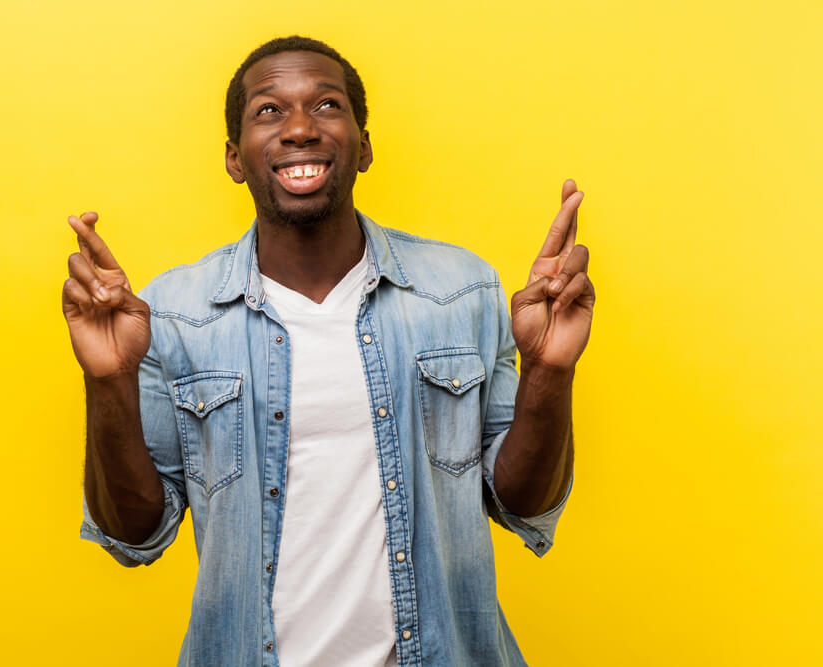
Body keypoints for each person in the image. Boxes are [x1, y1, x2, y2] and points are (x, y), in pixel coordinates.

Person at [61, 35, 594, 667]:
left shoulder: (461, 290)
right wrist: (108, 382)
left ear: (364, 146)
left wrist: (550, 372)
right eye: (268, 111)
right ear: (234, 158)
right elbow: (133, 534)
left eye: (326, 105)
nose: (298, 130)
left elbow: (522, 503)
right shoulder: (174, 315)